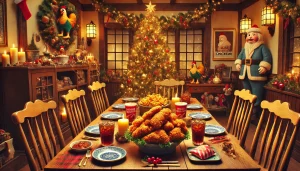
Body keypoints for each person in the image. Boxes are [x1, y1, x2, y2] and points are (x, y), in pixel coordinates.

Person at [234, 24, 272, 121]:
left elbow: (267, 57)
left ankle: (255, 114)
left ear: (259, 36)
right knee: (247, 94)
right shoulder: (245, 48)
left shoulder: (262, 47)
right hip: (245, 74)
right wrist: (238, 63)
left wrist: (264, 66)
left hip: (257, 75)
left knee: (257, 94)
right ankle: (248, 112)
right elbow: (239, 57)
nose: (250, 37)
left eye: (253, 34)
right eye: (249, 35)